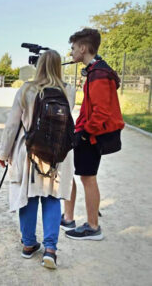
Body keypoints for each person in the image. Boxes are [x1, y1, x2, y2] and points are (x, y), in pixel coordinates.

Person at [0, 50, 76, 269]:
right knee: (52, 197)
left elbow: (13, 124)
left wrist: (3, 153)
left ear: (39, 65)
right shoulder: (69, 90)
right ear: (59, 66)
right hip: (57, 153)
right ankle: (50, 250)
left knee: (29, 196)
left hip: (29, 152)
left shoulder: (26, 90)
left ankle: (29, 244)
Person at [61, 28, 124, 240]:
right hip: (89, 132)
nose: (71, 53)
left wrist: (86, 134)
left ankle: (93, 226)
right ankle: (88, 221)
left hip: (92, 135)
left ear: (83, 48)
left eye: (72, 48)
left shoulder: (98, 74)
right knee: (87, 177)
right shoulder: (95, 70)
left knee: (88, 178)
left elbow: (101, 112)